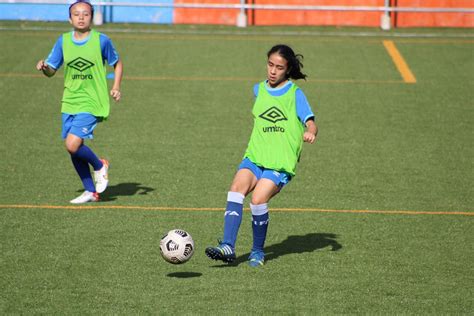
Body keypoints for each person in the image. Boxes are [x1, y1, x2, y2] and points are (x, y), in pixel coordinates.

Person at [205, 44, 318, 267]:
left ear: (287, 70)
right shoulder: (258, 90)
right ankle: (228, 246)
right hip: (255, 156)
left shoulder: (295, 94)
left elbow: (311, 121)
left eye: (279, 67)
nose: (273, 71)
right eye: (270, 65)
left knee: (257, 200)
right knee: (236, 190)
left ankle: (257, 251)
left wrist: (310, 132)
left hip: (280, 162)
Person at [36, 0, 123, 204]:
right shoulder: (63, 41)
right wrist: (44, 68)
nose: (81, 17)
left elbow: (117, 63)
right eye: (77, 14)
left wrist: (116, 87)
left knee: (72, 144)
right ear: (70, 18)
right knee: (73, 148)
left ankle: (100, 165)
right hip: (69, 100)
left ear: (91, 17)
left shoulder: (101, 40)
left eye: (85, 14)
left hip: (93, 100)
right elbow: (51, 70)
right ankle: (90, 191)